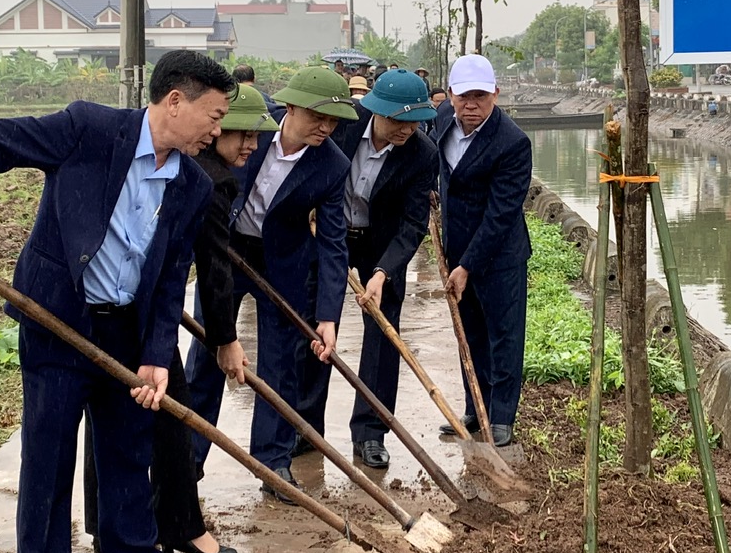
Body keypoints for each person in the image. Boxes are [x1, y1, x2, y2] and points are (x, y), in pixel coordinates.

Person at [0, 50, 234, 553]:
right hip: (59, 320)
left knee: (127, 451)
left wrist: (155, 353)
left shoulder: (193, 183)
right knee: (50, 458)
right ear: (176, 101)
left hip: (127, 331)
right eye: (215, 115)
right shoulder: (88, 130)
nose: (219, 131)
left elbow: (172, 275)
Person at [83, 84, 277, 553]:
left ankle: (117, 531)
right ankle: (177, 526)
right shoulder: (206, 181)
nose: (249, 146)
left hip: (135, 297)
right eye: (239, 135)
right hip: (136, 304)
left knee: (117, 416)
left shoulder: (192, 168)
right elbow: (214, 271)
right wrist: (225, 340)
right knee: (170, 417)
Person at [184, 67, 357, 493]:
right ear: (292, 107)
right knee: (209, 349)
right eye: (319, 117)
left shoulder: (332, 164)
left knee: (282, 363)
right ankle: (188, 458)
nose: (326, 128)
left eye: (334, 121)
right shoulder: (250, 127)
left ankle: (273, 464)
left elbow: (334, 243)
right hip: (226, 248)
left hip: (282, 261)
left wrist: (328, 315)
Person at [331, 70, 438, 467]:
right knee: (315, 325)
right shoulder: (344, 124)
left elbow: (413, 224)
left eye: (414, 122)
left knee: (383, 335)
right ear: (376, 112)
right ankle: (301, 431)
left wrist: (381, 274)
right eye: (398, 121)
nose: (407, 130)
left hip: (383, 242)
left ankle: (371, 432)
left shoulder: (422, 154)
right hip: (331, 233)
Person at [431, 54, 532, 447]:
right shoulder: (442, 121)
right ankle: (477, 408)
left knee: (503, 334)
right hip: (457, 249)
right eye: (464, 96)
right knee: (468, 332)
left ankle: (502, 415)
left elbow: (500, 214)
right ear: (451, 95)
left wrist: (468, 266)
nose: (471, 104)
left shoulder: (512, 142)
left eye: (481, 96)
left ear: (495, 94)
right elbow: (437, 163)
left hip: (500, 255)